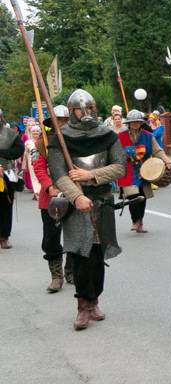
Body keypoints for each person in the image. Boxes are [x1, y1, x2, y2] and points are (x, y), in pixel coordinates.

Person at [48, 89, 126, 330]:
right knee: (80, 255)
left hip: (101, 201)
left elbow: (119, 167)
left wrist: (90, 175)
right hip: (76, 204)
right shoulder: (60, 138)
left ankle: (94, 302)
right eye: (82, 109)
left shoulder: (107, 135)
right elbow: (59, 174)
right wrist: (76, 196)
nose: (87, 112)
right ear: (72, 112)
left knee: (97, 255)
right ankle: (82, 306)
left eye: (90, 108)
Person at [117, 109, 171, 233]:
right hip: (129, 171)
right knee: (133, 197)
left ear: (141, 122)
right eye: (133, 122)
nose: (135, 123)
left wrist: (167, 161)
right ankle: (135, 221)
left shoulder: (148, 136)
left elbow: (157, 150)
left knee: (142, 197)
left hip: (145, 169)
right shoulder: (121, 136)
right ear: (129, 123)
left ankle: (140, 221)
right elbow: (116, 153)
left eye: (138, 121)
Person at [34, 106, 70, 291]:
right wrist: (49, 186)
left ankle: (71, 268)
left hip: (73, 194)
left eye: (65, 121)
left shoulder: (76, 140)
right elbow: (39, 168)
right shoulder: (43, 142)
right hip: (51, 197)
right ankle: (56, 275)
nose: (62, 124)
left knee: (76, 234)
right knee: (51, 239)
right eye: (59, 121)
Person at [0, 109, 25, 250]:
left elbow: (19, 151)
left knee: (5, 205)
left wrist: (2, 153)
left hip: (5, 173)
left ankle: (4, 236)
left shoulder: (11, 134)